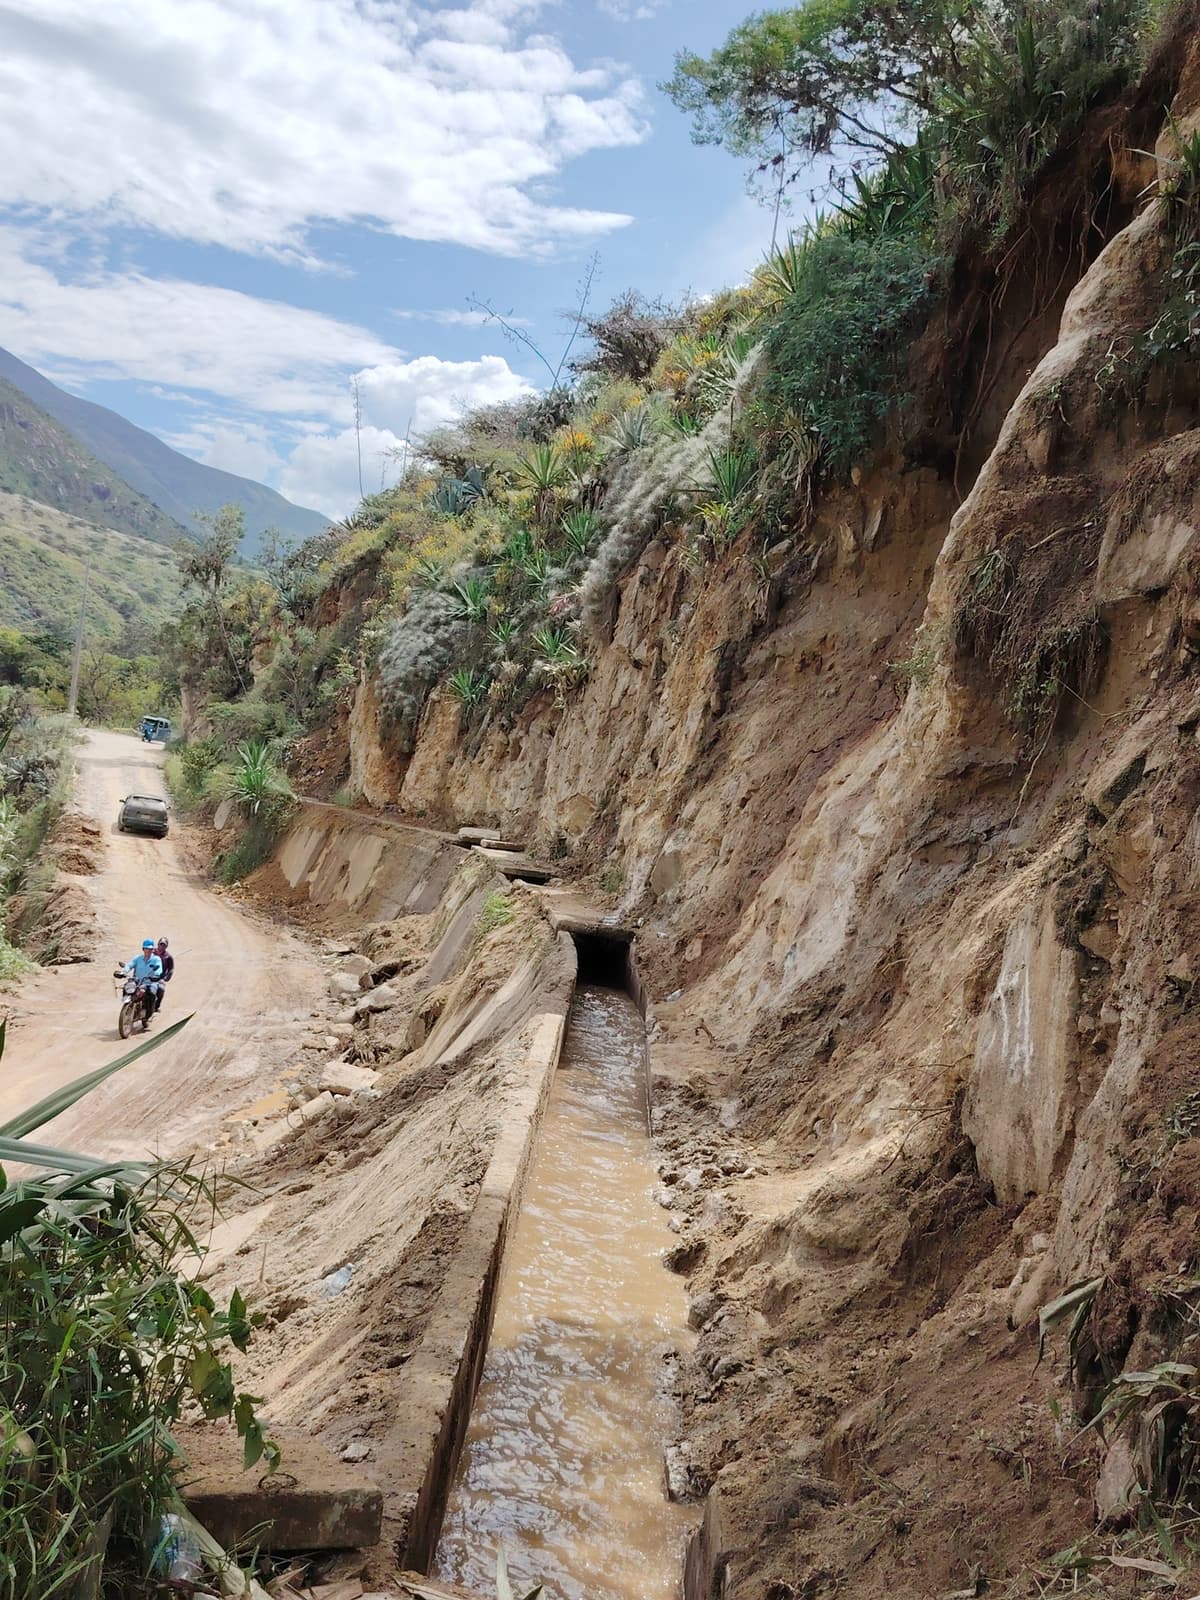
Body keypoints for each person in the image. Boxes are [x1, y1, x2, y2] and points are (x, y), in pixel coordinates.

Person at [123, 938, 163, 1024]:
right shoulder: (138, 958)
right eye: (146, 948)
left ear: (152, 950)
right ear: (143, 949)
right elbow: (130, 965)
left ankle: (148, 1015)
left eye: (150, 949)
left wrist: (156, 975)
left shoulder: (156, 959)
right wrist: (124, 971)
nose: (148, 951)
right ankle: (128, 1008)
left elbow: (159, 968)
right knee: (126, 987)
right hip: (137, 982)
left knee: (152, 992)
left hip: (150, 982)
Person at [154, 937, 174, 1012]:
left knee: (161, 989)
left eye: (164, 945)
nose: (161, 947)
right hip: (147, 975)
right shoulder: (150, 952)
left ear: (166, 947)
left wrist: (167, 977)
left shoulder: (168, 957)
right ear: (158, 944)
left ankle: (156, 1007)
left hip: (159, 978)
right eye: (160, 944)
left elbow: (171, 969)